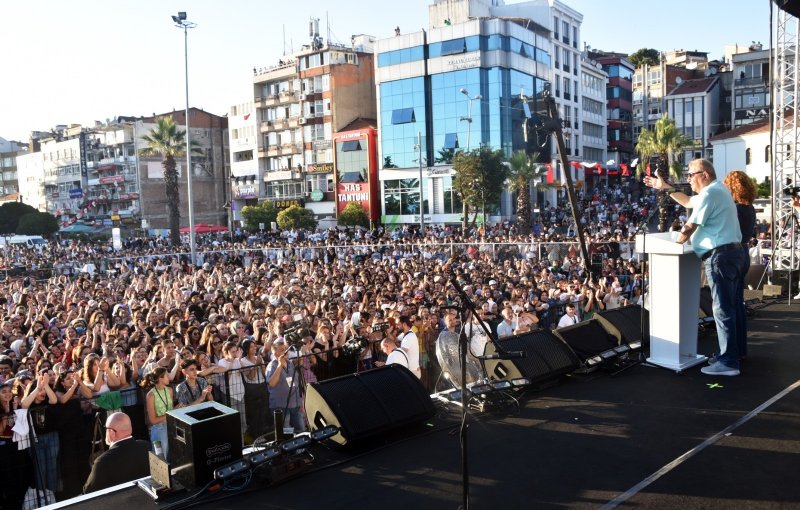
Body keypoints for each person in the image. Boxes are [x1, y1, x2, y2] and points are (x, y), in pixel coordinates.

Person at [645, 158, 746, 376]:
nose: (688, 178)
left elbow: (691, 224)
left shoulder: (711, 193)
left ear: (705, 174)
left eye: (691, 174)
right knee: (732, 307)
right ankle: (732, 354)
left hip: (721, 257)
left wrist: (678, 241)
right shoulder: (716, 191)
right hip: (731, 254)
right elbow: (689, 202)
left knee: (723, 310)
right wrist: (666, 188)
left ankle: (728, 362)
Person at [722, 170, 757, 360]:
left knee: (729, 305)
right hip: (744, 253)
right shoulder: (749, 208)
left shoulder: (734, 209)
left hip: (732, 253)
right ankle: (740, 349)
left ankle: (730, 352)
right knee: (738, 303)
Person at [83, 412, 151, 494]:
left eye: (106, 428)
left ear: (111, 432)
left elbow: (88, 492)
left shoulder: (102, 462)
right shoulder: (146, 446)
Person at [265, 339, 306, 434]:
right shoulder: (272, 366)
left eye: (285, 349)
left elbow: (296, 383)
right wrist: (280, 365)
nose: (285, 352)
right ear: (275, 354)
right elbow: (272, 383)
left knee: (301, 431)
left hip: (295, 404)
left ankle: (302, 449)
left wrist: (301, 401)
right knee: (286, 433)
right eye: (282, 350)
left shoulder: (290, 363)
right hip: (281, 406)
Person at [142, 367, 174, 460]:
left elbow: (170, 409)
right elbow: (153, 420)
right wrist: (169, 415)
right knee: (160, 458)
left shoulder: (170, 390)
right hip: (158, 429)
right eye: (167, 376)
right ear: (160, 378)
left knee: (171, 456)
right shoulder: (151, 395)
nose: (169, 377)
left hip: (170, 426)